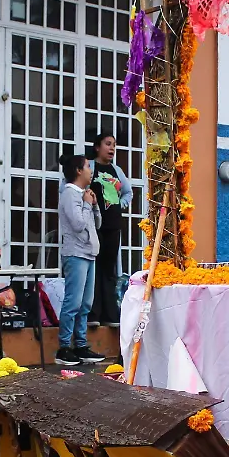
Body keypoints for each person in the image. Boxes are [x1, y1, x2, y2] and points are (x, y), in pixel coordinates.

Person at [55, 153, 107, 366]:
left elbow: (97, 224)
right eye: (87, 166)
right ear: (78, 171)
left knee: (85, 303)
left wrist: (93, 205)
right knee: (73, 302)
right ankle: (64, 347)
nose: (90, 169)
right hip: (75, 253)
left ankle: (81, 345)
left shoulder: (84, 194)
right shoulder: (69, 193)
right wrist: (86, 204)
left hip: (89, 253)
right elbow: (77, 224)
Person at [87, 133, 134, 326]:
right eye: (108, 144)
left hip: (113, 226)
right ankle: (93, 314)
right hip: (95, 226)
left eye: (114, 145)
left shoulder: (116, 170)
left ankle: (110, 315)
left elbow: (128, 191)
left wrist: (119, 205)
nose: (112, 148)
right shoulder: (89, 166)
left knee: (109, 270)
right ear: (97, 147)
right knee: (94, 269)